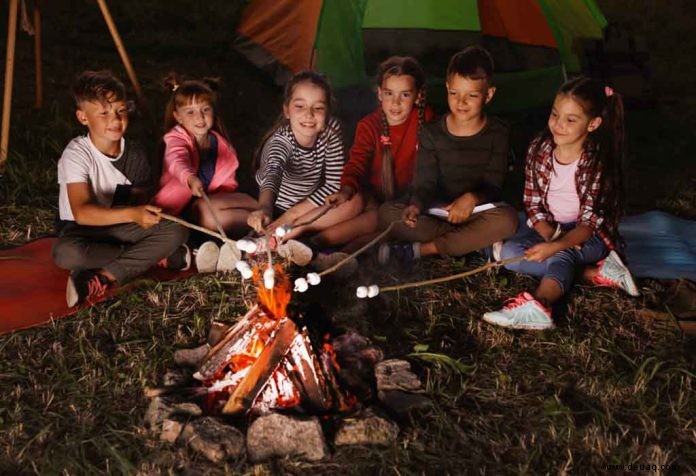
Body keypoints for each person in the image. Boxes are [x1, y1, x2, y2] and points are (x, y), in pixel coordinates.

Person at [483, 77, 640, 331]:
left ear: (593, 124)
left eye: (571, 120)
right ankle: (594, 273)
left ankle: (541, 304)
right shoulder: (539, 149)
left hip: (591, 235)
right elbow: (532, 203)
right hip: (553, 228)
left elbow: (589, 224)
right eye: (555, 114)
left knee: (562, 253)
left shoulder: (594, 163)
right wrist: (548, 236)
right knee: (509, 254)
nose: (558, 124)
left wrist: (556, 246)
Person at [52, 70, 189, 307]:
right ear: (83, 117)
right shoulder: (76, 154)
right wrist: (134, 215)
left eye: (120, 111)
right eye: (103, 113)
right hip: (81, 230)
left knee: (176, 231)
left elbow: (132, 202)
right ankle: (153, 257)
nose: (115, 120)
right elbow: (82, 213)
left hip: (118, 227)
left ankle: (103, 276)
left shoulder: (134, 155)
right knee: (66, 253)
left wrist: (140, 214)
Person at [377, 46, 518, 264]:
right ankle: (473, 242)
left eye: (471, 95)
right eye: (454, 93)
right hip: (439, 213)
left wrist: (471, 199)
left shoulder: (498, 132)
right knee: (387, 213)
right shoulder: (432, 133)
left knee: (508, 220)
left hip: (476, 211)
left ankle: (425, 250)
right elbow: (424, 183)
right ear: (447, 88)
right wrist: (415, 206)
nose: (461, 102)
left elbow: (494, 184)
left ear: (488, 94)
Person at [314, 56, 432, 253]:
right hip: (374, 197)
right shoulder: (369, 126)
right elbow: (357, 163)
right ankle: (316, 242)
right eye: (389, 93)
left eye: (404, 95)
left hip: (409, 200)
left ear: (418, 96)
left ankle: (341, 256)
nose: (395, 103)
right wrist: (346, 189)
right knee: (375, 217)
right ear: (379, 94)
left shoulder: (425, 119)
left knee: (388, 223)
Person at [152, 74, 256, 272]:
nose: (199, 117)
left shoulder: (220, 143)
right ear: (177, 116)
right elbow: (177, 161)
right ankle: (230, 243)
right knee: (207, 215)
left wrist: (228, 201)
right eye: (190, 112)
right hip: (183, 211)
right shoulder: (176, 139)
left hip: (210, 201)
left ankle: (264, 223)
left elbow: (228, 184)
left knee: (251, 204)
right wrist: (190, 178)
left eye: (205, 110)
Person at [248, 71, 362, 243]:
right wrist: (264, 207)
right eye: (300, 106)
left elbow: (333, 183)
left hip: (305, 206)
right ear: (287, 110)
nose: (309, 114)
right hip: (272, 204)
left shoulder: (331, 130)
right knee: (214, 215)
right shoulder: (280, 142)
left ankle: (288, 233)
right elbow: (272, 173)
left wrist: (292, 215)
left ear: (328, 112)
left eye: (318, 108)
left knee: (356, 201)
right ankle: (269, 236)